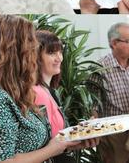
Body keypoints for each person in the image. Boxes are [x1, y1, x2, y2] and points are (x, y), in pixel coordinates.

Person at [0, 15, 98, 162]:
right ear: (14, 51)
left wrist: (71, 143)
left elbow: (39, 146)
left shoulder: (17, 92)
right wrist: (53, 148)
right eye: (30, 44)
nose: (34, 52)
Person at [34, 30, 99, 163]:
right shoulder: (37, 92)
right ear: (35, 57)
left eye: (60, 52)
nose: (59, 58)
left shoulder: (52, 91)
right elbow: (42, 143)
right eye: (51, 53)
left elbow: (56, 142)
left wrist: (81, 133)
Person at [93, 22, 129, 163]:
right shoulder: (99, 68)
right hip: (114, 135)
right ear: (114, 43)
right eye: (128, 41)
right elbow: (93, 107)